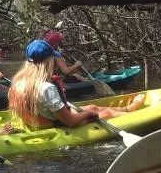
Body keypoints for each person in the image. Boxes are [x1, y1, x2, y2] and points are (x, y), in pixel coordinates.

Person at [8, 40, 145, 128]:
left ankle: (128, 109)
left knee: (92, 106)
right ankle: (132, 113)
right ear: (48, 60)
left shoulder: (17, 82)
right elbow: (70, 122)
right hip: (53, 123)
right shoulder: (46, 88)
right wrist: (87, 114)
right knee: (104, 112)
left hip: (39, 120)